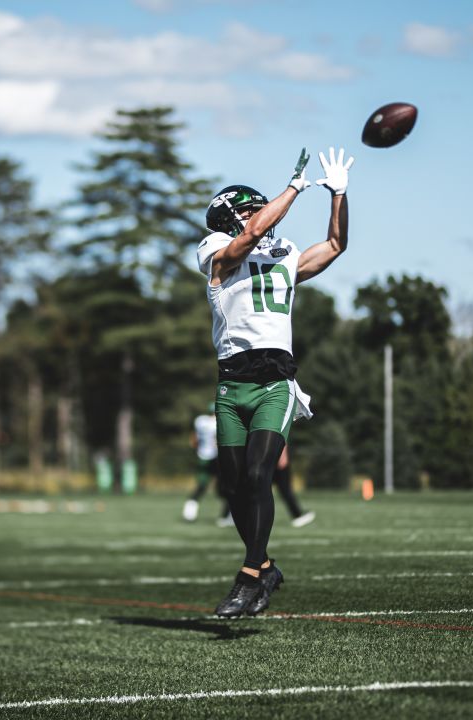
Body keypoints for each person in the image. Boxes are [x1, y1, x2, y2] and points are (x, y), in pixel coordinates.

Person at [196, 146, 353, 617]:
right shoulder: (213, 251)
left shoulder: (284, 256)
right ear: (227, 216)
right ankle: (266, 566)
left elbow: (335, 246)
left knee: (261, 474)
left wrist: (338, 196)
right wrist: (293, 187)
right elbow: (249, 235)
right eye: (248, 208)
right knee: (233, 485)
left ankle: (248, 575)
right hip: (230, 386)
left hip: (274, 383)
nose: (260, 215)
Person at [182, 404, 228, 523]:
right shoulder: (219, 423)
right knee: (224, 488)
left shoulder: (200, 421)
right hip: (217, 458)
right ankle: (226, 516)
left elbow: (194, 440)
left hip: (203, 457)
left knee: (201, 486)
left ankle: (189, 513)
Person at [273, 445, 315, 528]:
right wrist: (283, 455)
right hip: (275, 457)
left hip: (268, 455)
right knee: (285, 489)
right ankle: (297, 515)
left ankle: (297, 514)